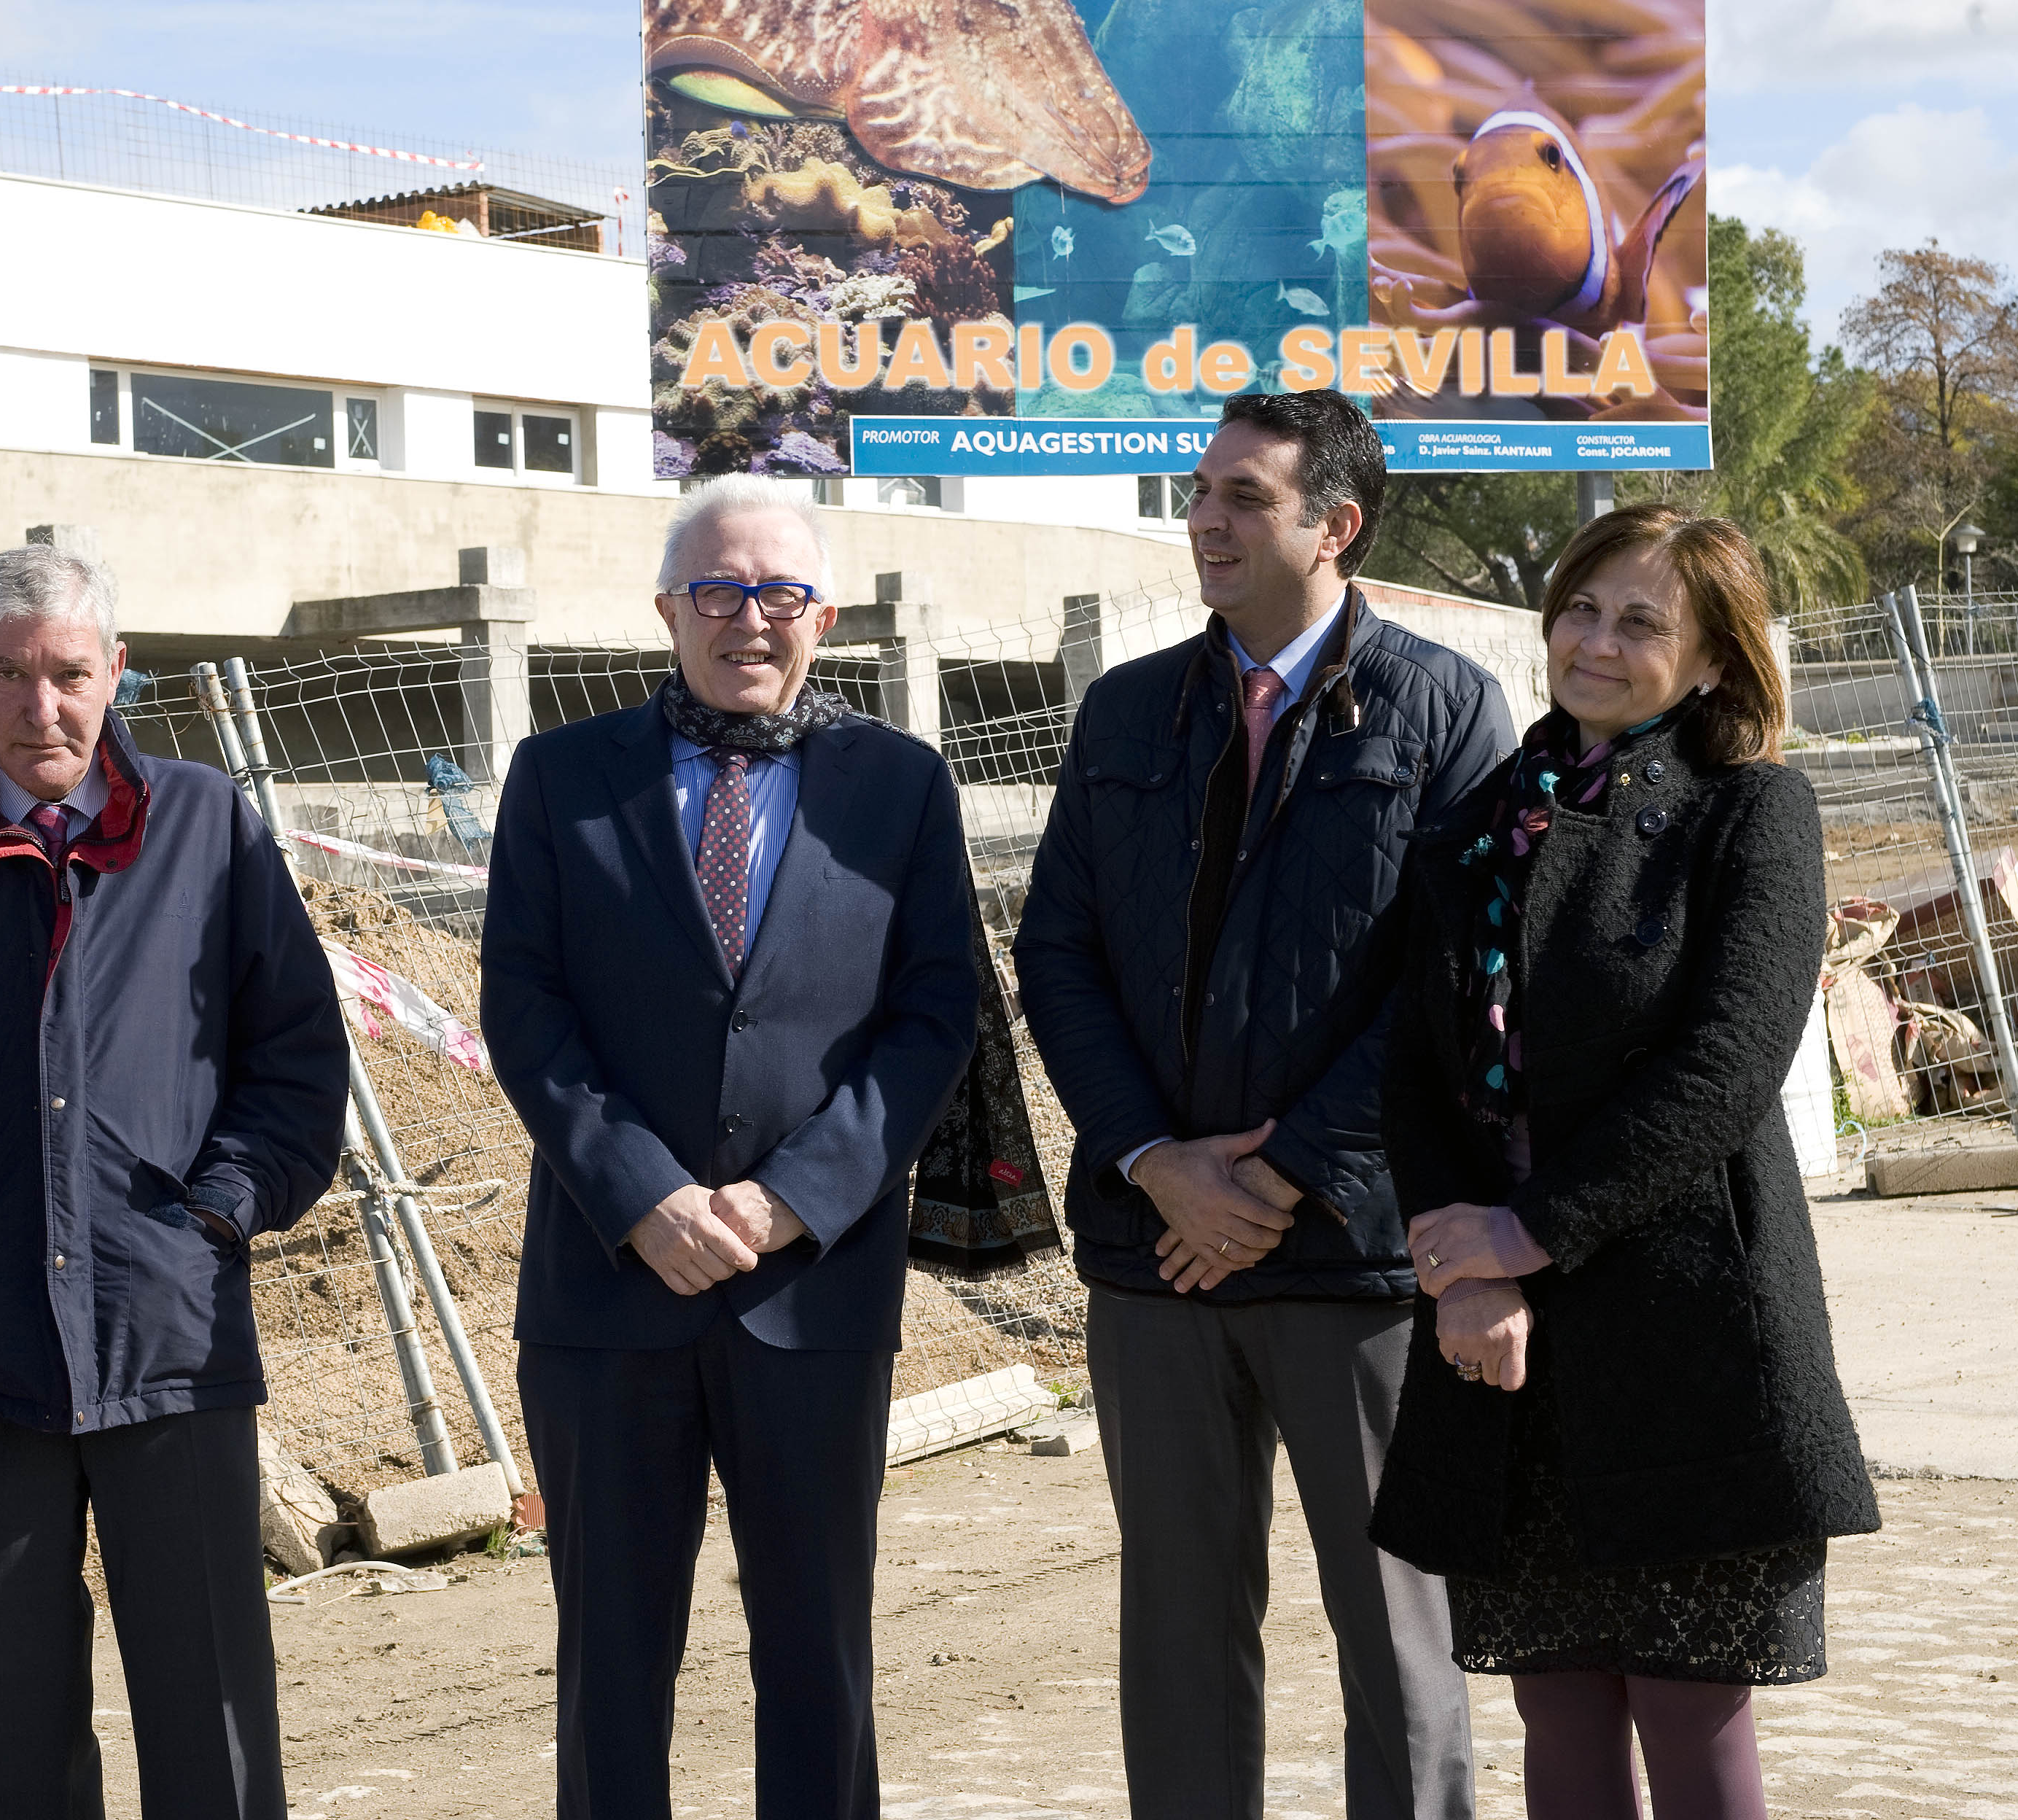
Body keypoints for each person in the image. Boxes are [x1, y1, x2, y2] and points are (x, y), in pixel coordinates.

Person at [0, 543, 346, 1820]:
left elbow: (299, 1061)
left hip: (172, 1341)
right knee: (10, 1746)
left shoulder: (204, 824)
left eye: (72, 674)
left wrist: (216, 1216)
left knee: (214, 1731)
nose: (43, 707)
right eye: (12, 674)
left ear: (117, 670)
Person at [1012, 389, 1512, 1820]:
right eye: (1200, 491)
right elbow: (1057, 952)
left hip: (1354, 1257)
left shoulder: (1443, 709)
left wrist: (1282, 1172)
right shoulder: (1125, 710)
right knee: (1176, 1637)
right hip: (1155, 1259)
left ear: (1334, 524)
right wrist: (1152, 1158)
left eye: (1244, 496)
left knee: (1397, 1636)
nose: (1205, 520)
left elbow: (1455, 980)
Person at [483, 474, 979, 1820]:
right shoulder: (562, 778)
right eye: (718, 590)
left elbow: (936, 1016)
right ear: (667, 610)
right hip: (608, 1293)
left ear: (823, 618)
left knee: (818, 1656)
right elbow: (524, 1007)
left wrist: (790, 1200)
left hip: (810, 1294)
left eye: (779, 593)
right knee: (609, 1665)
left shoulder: (899, 787)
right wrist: (644, 1196)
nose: (748, 619)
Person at [1371, 506, 1879, 1819]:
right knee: (1556, 1701)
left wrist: (1524, 1233)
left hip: (1688, 1332)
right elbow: (1414, 1068)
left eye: (1642, 621)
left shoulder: (1751, 811)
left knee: (1690, 1705)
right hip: (1507, 1348)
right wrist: (1467, 1268)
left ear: (1712, 659)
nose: (1596, 641)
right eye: (1581, 608)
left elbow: (1726, 1068)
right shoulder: (1475, 827)